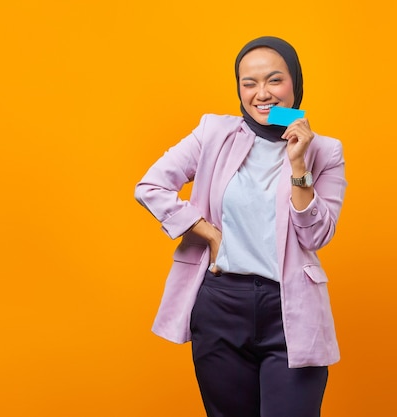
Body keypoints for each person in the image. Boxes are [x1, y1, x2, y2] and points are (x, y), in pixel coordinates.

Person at [134, 36, 347, 417]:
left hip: (290, 311)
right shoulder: (214, 133)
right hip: (220, 305)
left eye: (274, 80)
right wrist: (208, 231)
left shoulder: (325, 152)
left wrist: (299, 165)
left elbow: (316, 235)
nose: (262, 94)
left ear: (295, 84)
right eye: (249, 83)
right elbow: (150, 186)